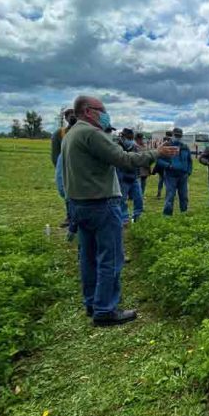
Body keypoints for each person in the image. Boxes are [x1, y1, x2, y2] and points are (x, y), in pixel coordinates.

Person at [61, 95, 177, 326]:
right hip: (100, 203)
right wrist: (157, 153)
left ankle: (92, 303)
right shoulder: (91, 134)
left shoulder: (71, 133)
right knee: (110, 257)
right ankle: (105, 310)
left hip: (80, 203)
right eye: (101, 110)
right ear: (87, 111)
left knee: (89, 256)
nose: (105, 114)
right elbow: (123, 159)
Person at [156, 127, 193, 215]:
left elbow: (189, 161)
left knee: (184, 196)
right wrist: (168, 165)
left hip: (183, 176)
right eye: (176, 135)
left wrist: (188, 171)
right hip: (170, 175)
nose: (178, 137)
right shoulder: (166, 146)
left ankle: (183, 214)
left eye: (179, 136)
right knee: (170, 196)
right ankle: (167, 215)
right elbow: (158, 160)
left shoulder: (185, 147)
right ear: (172, 135)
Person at [53, 109, 78, 227]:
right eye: (69, 115)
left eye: (75, 115)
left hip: (79, 167)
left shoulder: (82, 131)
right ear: (66, 118)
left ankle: (77, 217)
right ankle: (69, 216)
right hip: (64, 168)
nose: (72, 117)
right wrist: (59, 169)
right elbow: (55, 154)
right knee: (67, 193)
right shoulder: (60, 133)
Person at [117, 128, 144, 225]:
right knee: (122, 199)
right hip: (122, 177)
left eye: (132, 138)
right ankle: (124, 218)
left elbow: (139, 159)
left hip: (134, 176)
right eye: (129, 138)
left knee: (139, 197)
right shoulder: (117, 147)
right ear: (123, 137)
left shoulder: (134, 147)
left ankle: (137, 216)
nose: (131, 140)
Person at [154, 130, 173, 199]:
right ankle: (167, 193)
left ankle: (159, 193)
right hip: (167, 163)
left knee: (161, 179)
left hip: (162, 164)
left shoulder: (163, 141)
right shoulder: (170, 142)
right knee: (167, 180)